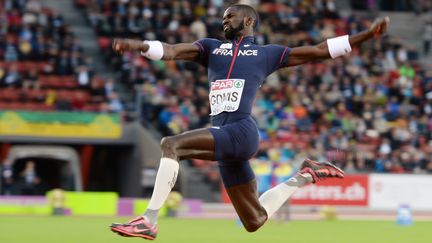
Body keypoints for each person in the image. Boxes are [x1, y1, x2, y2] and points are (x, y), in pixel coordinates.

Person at [110, 4, 389, 240]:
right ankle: (305, 174)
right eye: (222, 18)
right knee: (254, 220)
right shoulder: (210, 48)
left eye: (229, 16)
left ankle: (149, 219)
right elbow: (171, 50)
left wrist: (365, 36)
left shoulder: (268, 53)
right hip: (227, 138)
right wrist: (140, 46)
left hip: (240, 132)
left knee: (171, 144)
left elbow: (318, 50)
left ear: (248, 20)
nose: (224, 21)